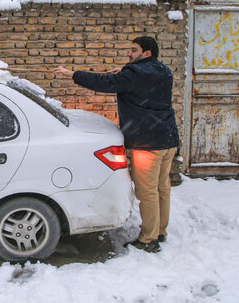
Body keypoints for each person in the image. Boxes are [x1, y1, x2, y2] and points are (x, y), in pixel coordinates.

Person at [53, 36, 179, 253]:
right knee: (162, 189)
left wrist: (72, 74)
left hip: (147, 144)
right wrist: (122, 72)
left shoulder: (134, 74)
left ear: (146, 53)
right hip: (167, 140)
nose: (129, 53)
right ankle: (160, 231)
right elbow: (139, 79)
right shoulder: (163, 71)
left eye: (133, 50)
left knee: (147, 192)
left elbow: (104, 84)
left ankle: (148, 239)